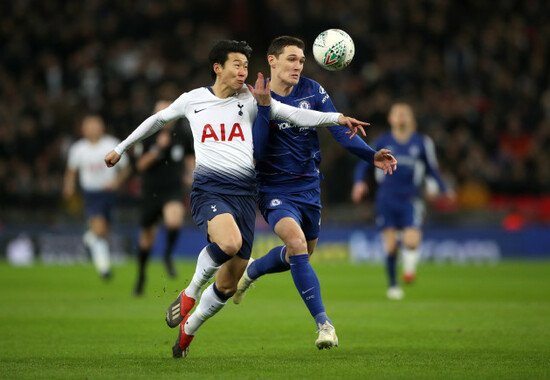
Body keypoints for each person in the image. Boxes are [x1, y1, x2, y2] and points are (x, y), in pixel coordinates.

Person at [104, 40, 372, 358]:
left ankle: (187, 331)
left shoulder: (252, 98)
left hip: (245, 193)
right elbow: (158, 121)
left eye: (246, 65)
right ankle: (189, 293)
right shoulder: (193, 100)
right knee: (229, 242)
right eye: (237, 65)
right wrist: (120, 148)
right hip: (209, 188)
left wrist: (337, 118)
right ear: (218, 68)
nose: (243, 71)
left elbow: (296, 115)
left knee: (228, 284)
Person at [231, 36, 397, 349]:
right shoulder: (251, 98)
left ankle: (251, 270)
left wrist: (370, 154)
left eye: (302, 61)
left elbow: (339, 130)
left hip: (308, 187)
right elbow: (259, 149)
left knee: (301, 253)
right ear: (272, 60)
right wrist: (265, 108)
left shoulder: (313, 90)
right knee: (294, 243)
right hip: (273, 189)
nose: (298, 66)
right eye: (291, 59)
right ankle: (324, 325)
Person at [351, 103, 455, 300]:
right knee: (390, 247)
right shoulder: (382, 140)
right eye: (397, 114)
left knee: (411, 242)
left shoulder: (421, 142)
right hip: (386, 198)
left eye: (405, 114)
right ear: (390, 119)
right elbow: (363, 163)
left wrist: (444, 188)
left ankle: (408, 268)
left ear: (411, 118)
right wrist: (359, 184)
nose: (401, 117)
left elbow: (432, 169)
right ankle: (392, 285)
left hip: (411, 198)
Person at [132, 100, 195, 296]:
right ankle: (141, 276)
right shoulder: (146, 135)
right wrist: (158, 149)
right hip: (151, 191)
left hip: (173, 190)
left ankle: (167, 255)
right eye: (161, 112)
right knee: (146, 240)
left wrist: (191, 174)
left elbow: (190, 157)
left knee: (174, 220)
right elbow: (140, 166)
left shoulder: (183, 133)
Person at [63, 115, 130, 279]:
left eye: (95, 125)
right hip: (91, 194)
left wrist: (116, 182)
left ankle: (89, 238)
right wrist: (69, 186)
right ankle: (104, 268)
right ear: (83, 129)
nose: (93, 129)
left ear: (102, 127)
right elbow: (71, 171)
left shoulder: (111, 144)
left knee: (104, 231)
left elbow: (126, 168)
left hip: (108, 194)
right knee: (99, 228)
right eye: (89, 126)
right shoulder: (79, 148)